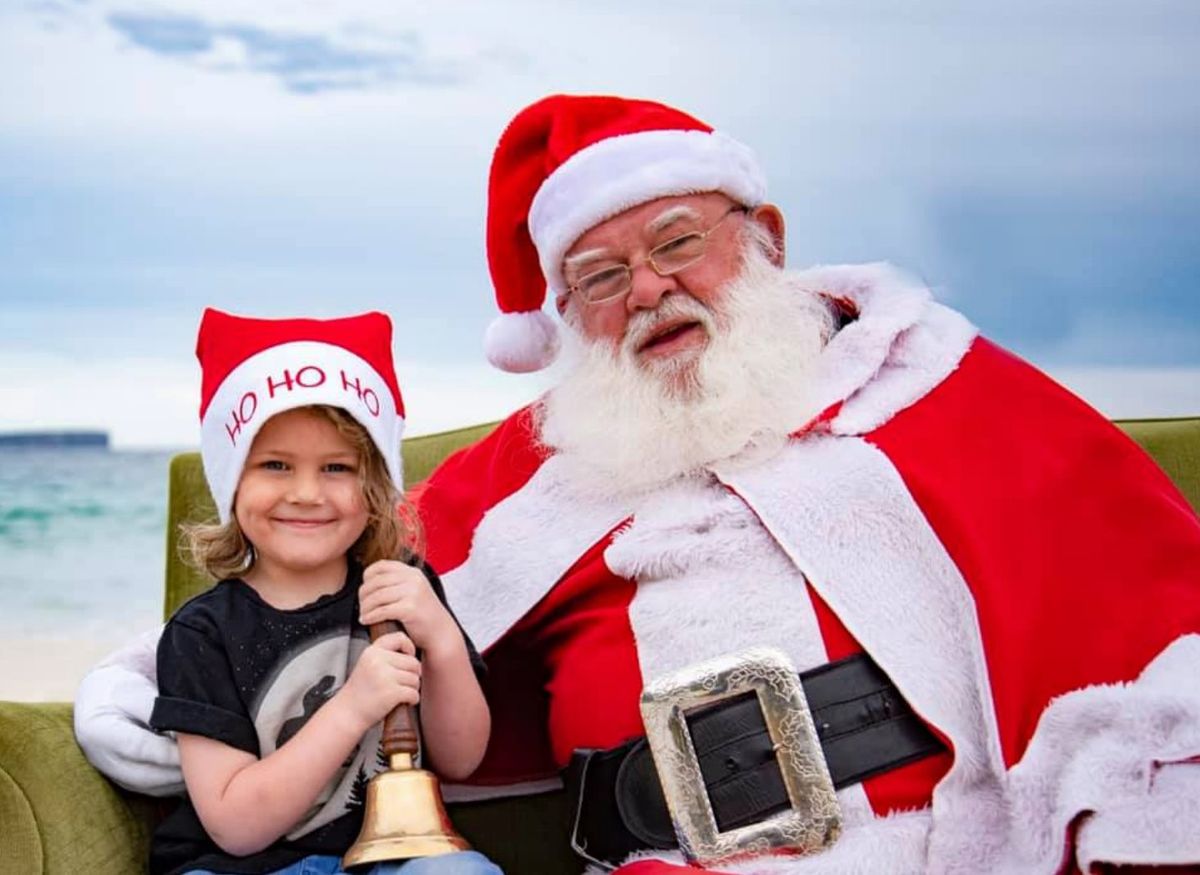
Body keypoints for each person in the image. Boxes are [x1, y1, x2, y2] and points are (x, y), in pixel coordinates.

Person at [77, 96, 1200, 873]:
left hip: (932, 841)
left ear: (762, 236)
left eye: (677, 242)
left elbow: (1147, 585)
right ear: (566, 315)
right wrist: (148, 681)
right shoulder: (547, 461)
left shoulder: (932, 383)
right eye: (601, 277)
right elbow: (321, 570)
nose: (651, 290)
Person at [141, 308, 500, 875]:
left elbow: (461, 760)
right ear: (231, 481)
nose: (307, 493)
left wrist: (443, 642)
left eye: (337, 467)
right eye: (276, 465)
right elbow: (236, 828)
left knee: (463, 872)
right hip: (242, 868)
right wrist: (355, 705)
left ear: (376, 486)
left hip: (390, 858)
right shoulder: (201, 635)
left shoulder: (401, 591)